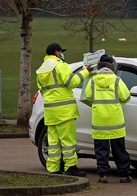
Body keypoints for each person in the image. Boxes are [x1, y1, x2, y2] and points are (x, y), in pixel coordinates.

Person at [36, 43, 92, 177]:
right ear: (56, 52)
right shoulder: (61, 66)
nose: (61, 54)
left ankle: (53, 167)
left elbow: (43, 91)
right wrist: (85, 72)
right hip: (64, 111)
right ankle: (71, 167)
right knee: (68, 141)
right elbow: (71, 82)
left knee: (53, 141)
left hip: (50, 111)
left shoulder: (41, 70)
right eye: (60, 52)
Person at [83, 54, 133, 184]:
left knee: (101, 151)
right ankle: (124, 175)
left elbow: (87, 96)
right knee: (119, 150)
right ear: (112, 66)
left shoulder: (93, 81)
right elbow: (126, 98)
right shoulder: (117, 80)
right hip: (116, 122)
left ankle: (103, 175)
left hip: (99, 121)